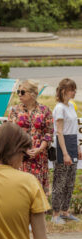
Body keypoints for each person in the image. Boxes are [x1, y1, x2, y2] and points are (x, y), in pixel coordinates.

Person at [8, 80, 53, 194]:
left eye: (22, 92)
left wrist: (40, 149)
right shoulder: (14, 111)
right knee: (21, 189)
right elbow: (11, 133)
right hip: (19, 156)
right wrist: (23, 150)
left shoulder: (45, 110)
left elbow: (48, 133)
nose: (19, 94)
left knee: (37, 190)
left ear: (32, 94)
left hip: (39, 156)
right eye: (18, 91)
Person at [51, 78, 81, 224]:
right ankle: (55, 213)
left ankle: (65, 211)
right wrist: (65, 153)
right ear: (64, 91)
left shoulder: (70, 107)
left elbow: (74, 129)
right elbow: (59, 132)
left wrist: (78, 147)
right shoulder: (59, 108)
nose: (74, 92)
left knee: (70, 181)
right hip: (63, 145)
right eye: (71, 89)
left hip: (72, 143)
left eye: (74, 89)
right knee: (60, 180)